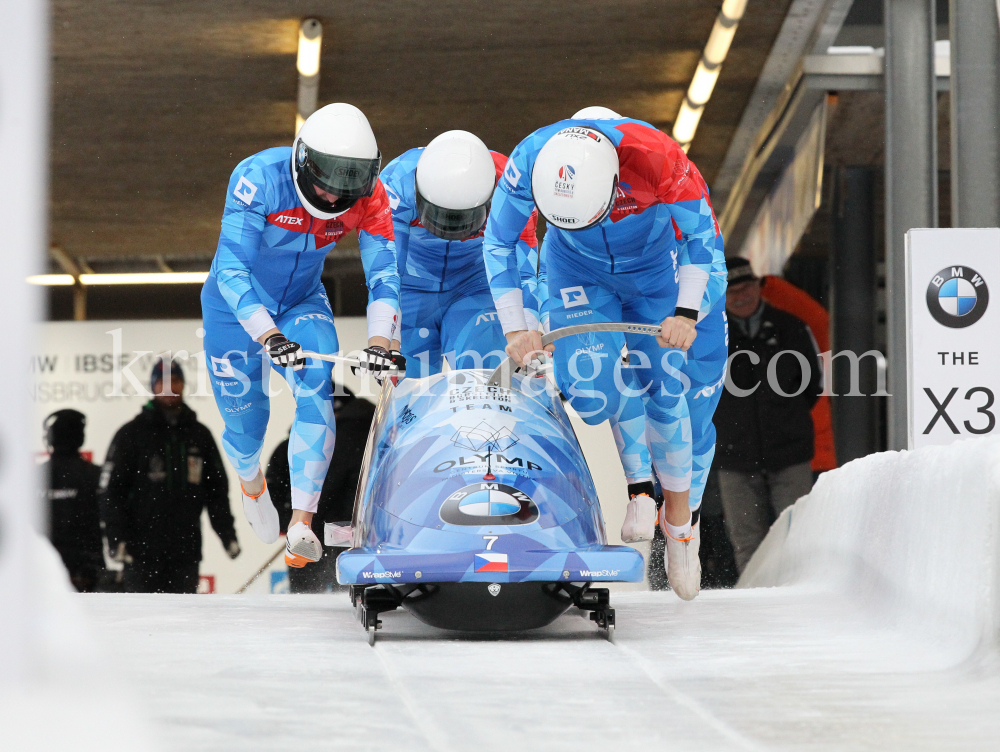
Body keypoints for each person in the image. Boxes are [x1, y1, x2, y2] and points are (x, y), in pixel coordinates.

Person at [484, 112, 726, 600]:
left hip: (657, 270)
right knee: (591, 391)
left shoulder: (657, 157)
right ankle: (639, 486)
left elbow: (703, 237)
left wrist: (685, 309)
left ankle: (680, 521)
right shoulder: (529, 161)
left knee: (664, 383)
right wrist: (517, 326)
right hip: (576, 268)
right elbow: (499, 241)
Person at [200, 102, 402, 571]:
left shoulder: (374, 196)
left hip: (301, 302)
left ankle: (301, 525)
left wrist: (379, 340)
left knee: (317, 389)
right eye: (325, 184)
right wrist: (267, 335)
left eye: (347, 189)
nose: (333, 199)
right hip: (236, 309)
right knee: (247, 425)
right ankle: (250, 480)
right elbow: (231, 270)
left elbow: (385, 276)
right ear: (301, 162)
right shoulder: (257, 177)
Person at [380, 130, 540, 375]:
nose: (450, 231)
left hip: (474, 287)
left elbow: (524, 271)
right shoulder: (396, 181)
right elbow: (388, 272)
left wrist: (528, 333)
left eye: (463, 221)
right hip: (411, 289)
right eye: (440, 218)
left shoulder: (512, 184)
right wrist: (386, 338)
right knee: (406, 386)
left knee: (486, 379)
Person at [713, 258, 822, 572]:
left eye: (746, 287)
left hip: (790, 455)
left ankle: (797, 602)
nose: (740, 295)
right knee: (748, 545)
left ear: (759, 286)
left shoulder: (791, 328)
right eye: (731, 290)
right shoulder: (709, 338)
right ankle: (753, 614)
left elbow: (812, 384)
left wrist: (784, 420)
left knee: (799, 538)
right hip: (734, 458)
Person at [99, 359, 240, 594]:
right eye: (162, 382)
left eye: (175, 380)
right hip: (140, 553)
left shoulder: (199, 435)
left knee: (184, 625)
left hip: (186, 553)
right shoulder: (131, 434)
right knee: (143, 624)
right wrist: (116, 539)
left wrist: (227, 535)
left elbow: (216, 492)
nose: (170, 387)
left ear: (183, 385)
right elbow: (111, 492)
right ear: (153, 387)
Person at [266, 387, 375, 592]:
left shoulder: (333, 438)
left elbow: (326, 488)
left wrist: (295, 521)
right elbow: (276, 484)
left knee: (309, 601)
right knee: (349, 598)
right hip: (358, 535)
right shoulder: (373, 433)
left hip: (326, 532)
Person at [759, 274, 837, 474]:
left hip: (811, 456)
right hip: (762, 457)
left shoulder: (800, 337)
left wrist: (766, 286)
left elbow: (817, 321)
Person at [40, 409, 104, 592]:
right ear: (81, 437)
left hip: (43, 568)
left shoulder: (32, 477)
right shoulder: (95, 475)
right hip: (87, 571)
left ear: (50, 437)